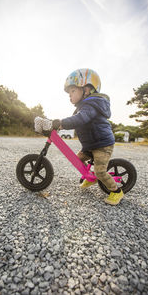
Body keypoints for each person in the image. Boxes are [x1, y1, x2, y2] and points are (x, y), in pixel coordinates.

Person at [52, 68, 124, 205]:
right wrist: (60, 126)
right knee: (77, 159)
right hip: (90, 145)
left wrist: (63, 122)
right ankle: (90, 178)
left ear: (87, 90)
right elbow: (77, 119)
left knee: (100, 172)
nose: (70, 95)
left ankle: (116, 191)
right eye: (69, 93)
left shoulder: (91, 105)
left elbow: (80, 119)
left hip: (102, 145)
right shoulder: (82, 106)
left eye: (73, 91)